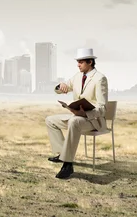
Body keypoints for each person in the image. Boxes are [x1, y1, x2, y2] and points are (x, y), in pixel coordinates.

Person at [45, 48, 109, 179]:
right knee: (50, 120)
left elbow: (102, 108)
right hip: (77, 117)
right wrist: (60, 85)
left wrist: (85, 114)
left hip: (93, 120)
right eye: (77, 62)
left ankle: (67, 165)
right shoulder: (77, 76)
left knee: (74, 121)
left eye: (81, 62)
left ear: (90, 62)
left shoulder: (100, 79)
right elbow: (62, 89)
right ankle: (62, 153)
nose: (78, 64)